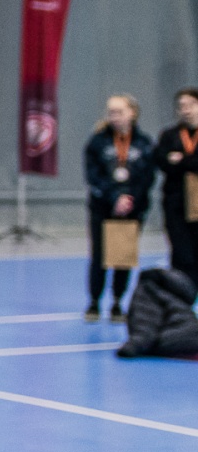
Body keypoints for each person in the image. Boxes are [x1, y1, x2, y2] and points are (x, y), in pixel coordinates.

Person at [84, 94, 155, 321]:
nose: (114, 117)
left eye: (119, 112)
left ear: (132, 113)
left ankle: (117, 302)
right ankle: (94, 302)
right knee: (100, 255)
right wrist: (115, 197)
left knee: (123, 256)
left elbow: (147, 177)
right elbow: (93, 176)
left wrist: (129, 199)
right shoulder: (98, 142)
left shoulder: (143, 143)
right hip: (103, 207)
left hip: (132, 209)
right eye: (111, 112)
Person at [152, 88, 198, 281]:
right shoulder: (169, 135)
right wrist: (189, 162)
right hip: (176, 203)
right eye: (181, 106)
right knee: (181, 253)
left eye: (191, 105)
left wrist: (182, 160)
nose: (185, 110)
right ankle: (181, 293)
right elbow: (161, 161)